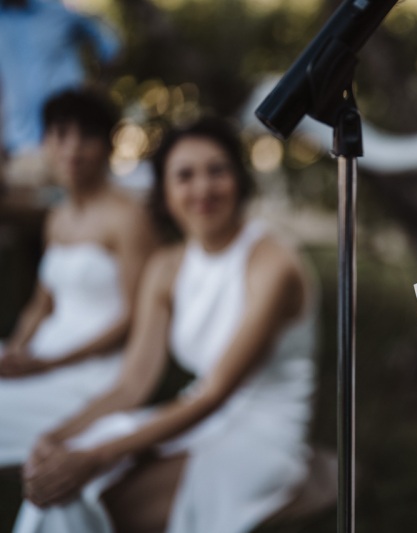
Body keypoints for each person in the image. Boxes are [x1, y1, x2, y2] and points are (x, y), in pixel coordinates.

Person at [12, 117, 321, 533]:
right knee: (64, 482)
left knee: (95, 501)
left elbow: (215, 393)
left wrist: (96, 457)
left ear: (238, 178)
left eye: (217, 170)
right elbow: (132, 384)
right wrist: (57, 437)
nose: (203, 188)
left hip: (262, 433)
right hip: (197, 416)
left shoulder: (272, 262)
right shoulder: (166, 267)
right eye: (185, 176)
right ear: (165, 192)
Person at [0, 89, 155, 468]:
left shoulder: (128, 218)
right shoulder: (58, 216)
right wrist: (17, 350)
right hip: (45, 352)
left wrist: (50, 365)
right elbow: (43, 302)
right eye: (60, 134)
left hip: (95, 369)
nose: (72, 148)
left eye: (86, 136)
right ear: (45, 143)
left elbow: (135, 317)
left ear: (106, 145)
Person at [0, 0, 119, 189]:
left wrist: (95, 97)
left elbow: (110, 46)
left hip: (73, 146)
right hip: (22, 148)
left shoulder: (58, 10)